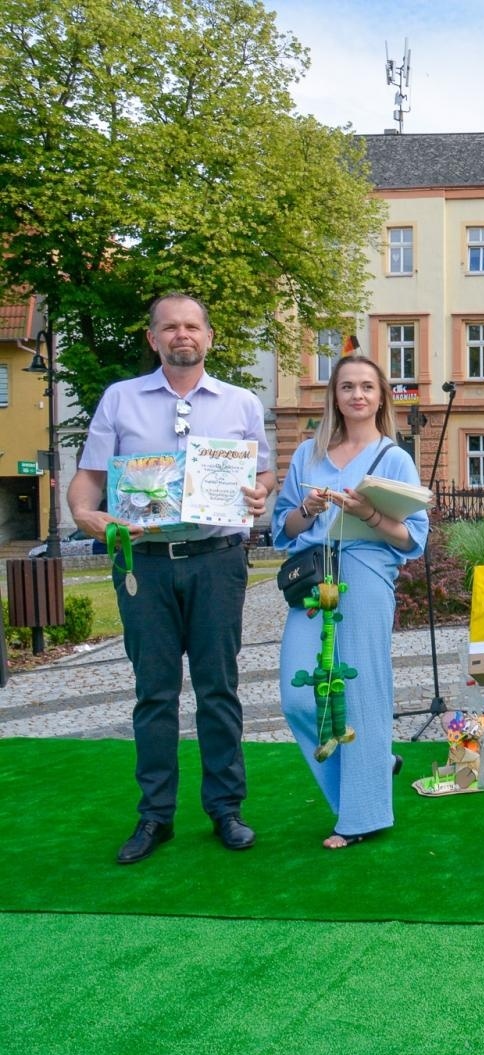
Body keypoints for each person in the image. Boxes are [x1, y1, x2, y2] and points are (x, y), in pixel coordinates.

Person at [68, 293, 275, 864]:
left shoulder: (240, 403)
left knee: (218, 688)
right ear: (154, 338)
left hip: (216, 561)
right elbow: (85, 487)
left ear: (208, 338)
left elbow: (263, 478)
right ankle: (155, 816)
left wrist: (261, 493)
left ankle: (226, 809)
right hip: (144, 564)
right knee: (154, 693)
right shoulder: (120, 399)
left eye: (191, 326)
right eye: (169, 327)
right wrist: (88, 515)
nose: (181, 335)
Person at [271, 356, 429, 848]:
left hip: (364, 574)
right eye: (346, 387)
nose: (357, 395)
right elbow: (282, 529)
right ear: (333, 396)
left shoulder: (394, 458)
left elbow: (411, 540)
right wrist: (306, 508)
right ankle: (376, 767)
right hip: (314, 578)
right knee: (299, 695)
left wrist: (369, 514)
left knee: (362, 692)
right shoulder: (306, 454)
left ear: (381, 396)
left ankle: (362, 814)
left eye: (366, 387)